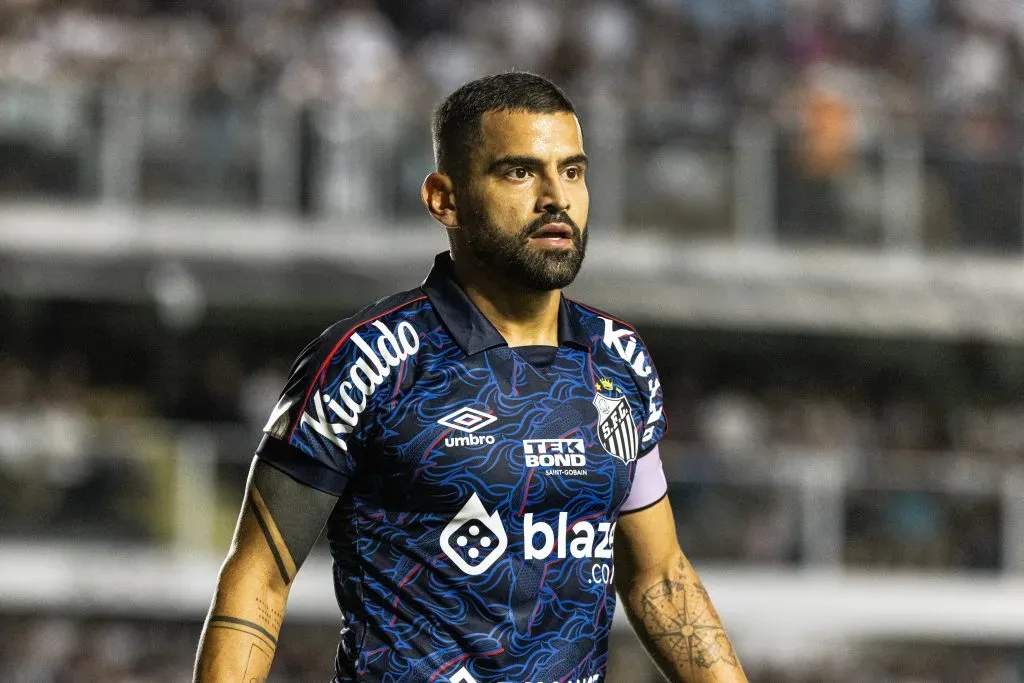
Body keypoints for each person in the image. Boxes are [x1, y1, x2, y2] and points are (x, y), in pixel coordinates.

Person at [194, 72, 748, 683]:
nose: (555, 198)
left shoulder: (620, 359)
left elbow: (660, 578)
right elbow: (258, 581)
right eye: (519, 172)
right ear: (443, 200)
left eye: (572, 171)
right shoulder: (369, 359)